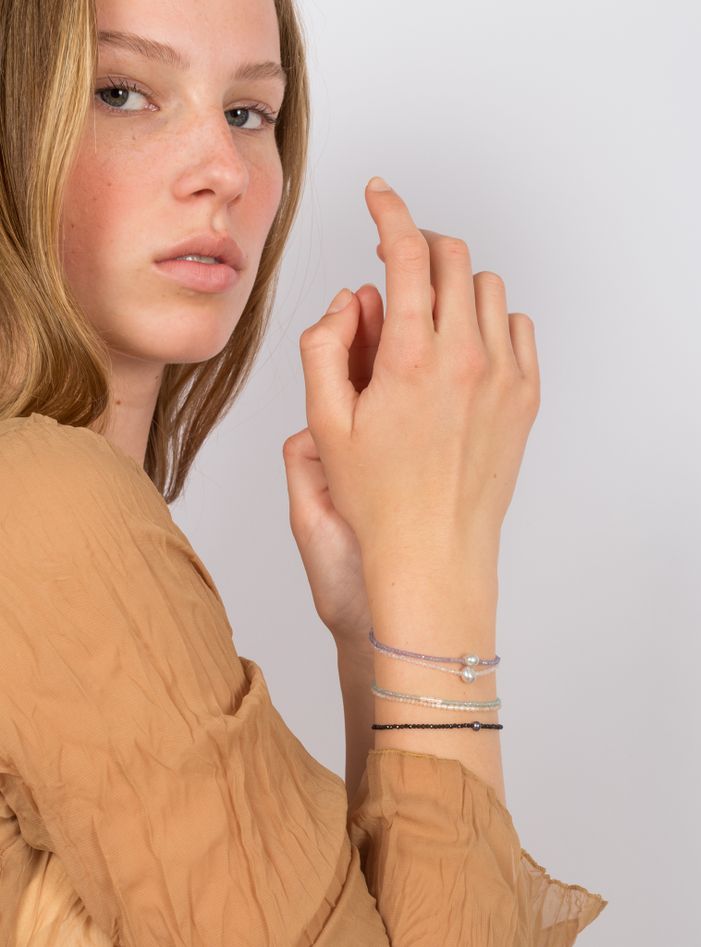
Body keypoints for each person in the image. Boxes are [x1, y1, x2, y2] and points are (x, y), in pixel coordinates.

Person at [0, 0, 608, 943]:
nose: (225, 173)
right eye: (123, 93)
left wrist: (380, 630)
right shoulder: (43, 504)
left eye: (251, 113)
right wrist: (442, 573)